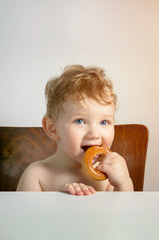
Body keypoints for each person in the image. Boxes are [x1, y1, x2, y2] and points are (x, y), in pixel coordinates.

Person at [17, 65, 133, 195]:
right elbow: (24, 215)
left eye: (104, 122)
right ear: (52, 128)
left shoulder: (110, 175)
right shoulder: (36, 175)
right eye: (80, 121)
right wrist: (59, 200)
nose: (94, 134)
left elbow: (123, 213)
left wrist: (123, 183)